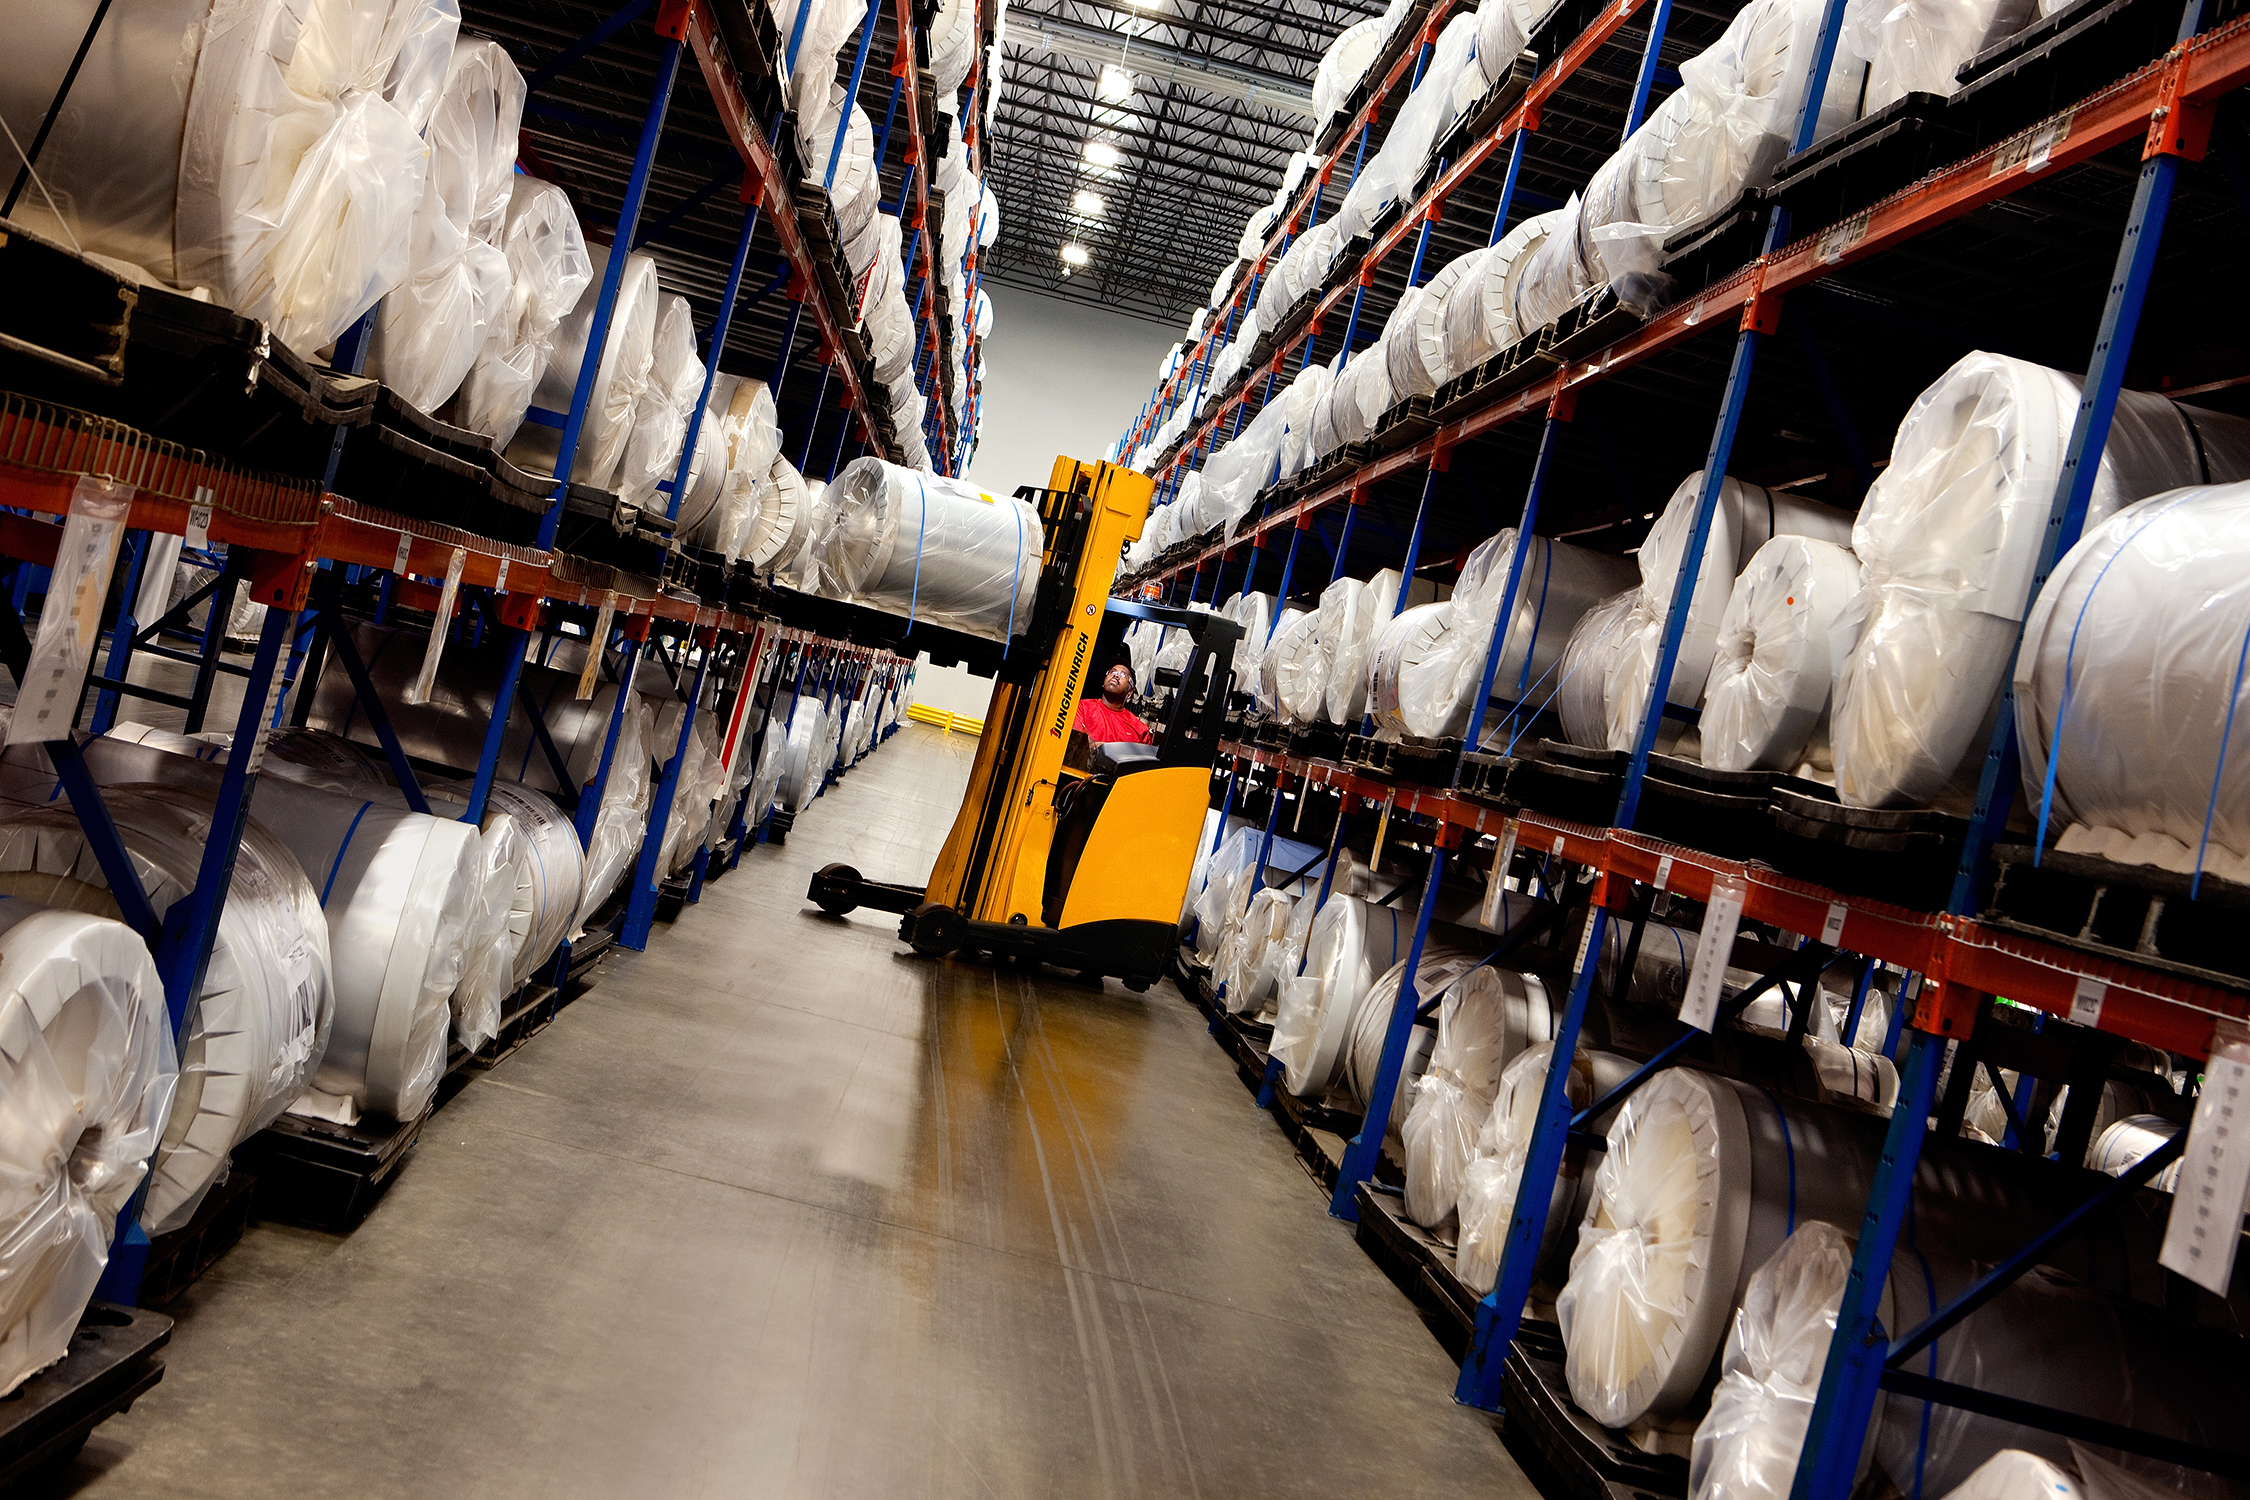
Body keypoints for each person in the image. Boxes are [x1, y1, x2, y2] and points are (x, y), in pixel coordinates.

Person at [1072, 662, 1153, 744]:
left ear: (1130, 691)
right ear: (1103, 683)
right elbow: (1076, 743)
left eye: (1123, 675)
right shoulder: (1082, 707)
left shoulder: (1140, 731)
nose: (1116, 676)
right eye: (1112, 672)